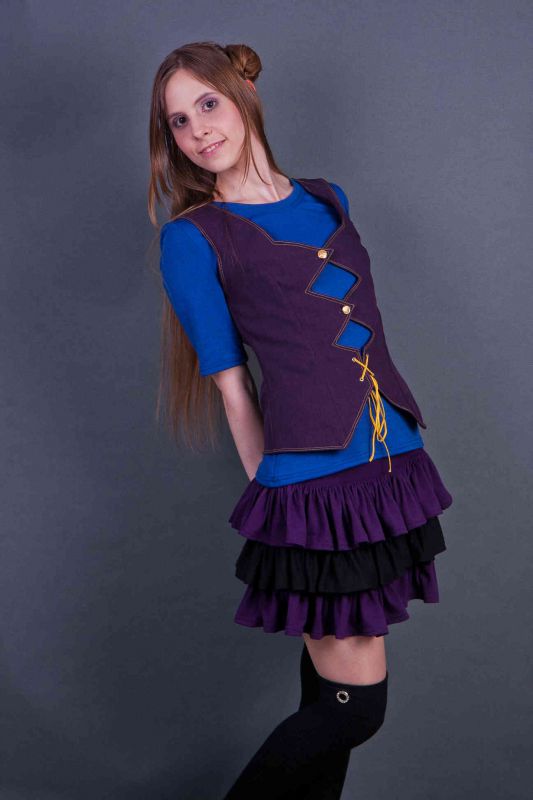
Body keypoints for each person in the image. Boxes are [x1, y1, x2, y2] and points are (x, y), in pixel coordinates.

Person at [148, 40, 453, 799]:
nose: (198, 129)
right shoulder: (193, 238)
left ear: (244, 95)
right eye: (178, 121)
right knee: (354, 712)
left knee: (325, 700)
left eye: (208, 104)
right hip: (318, 492)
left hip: (392, 473)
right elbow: (232, 387)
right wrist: (280, 497)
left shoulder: (326, 198)